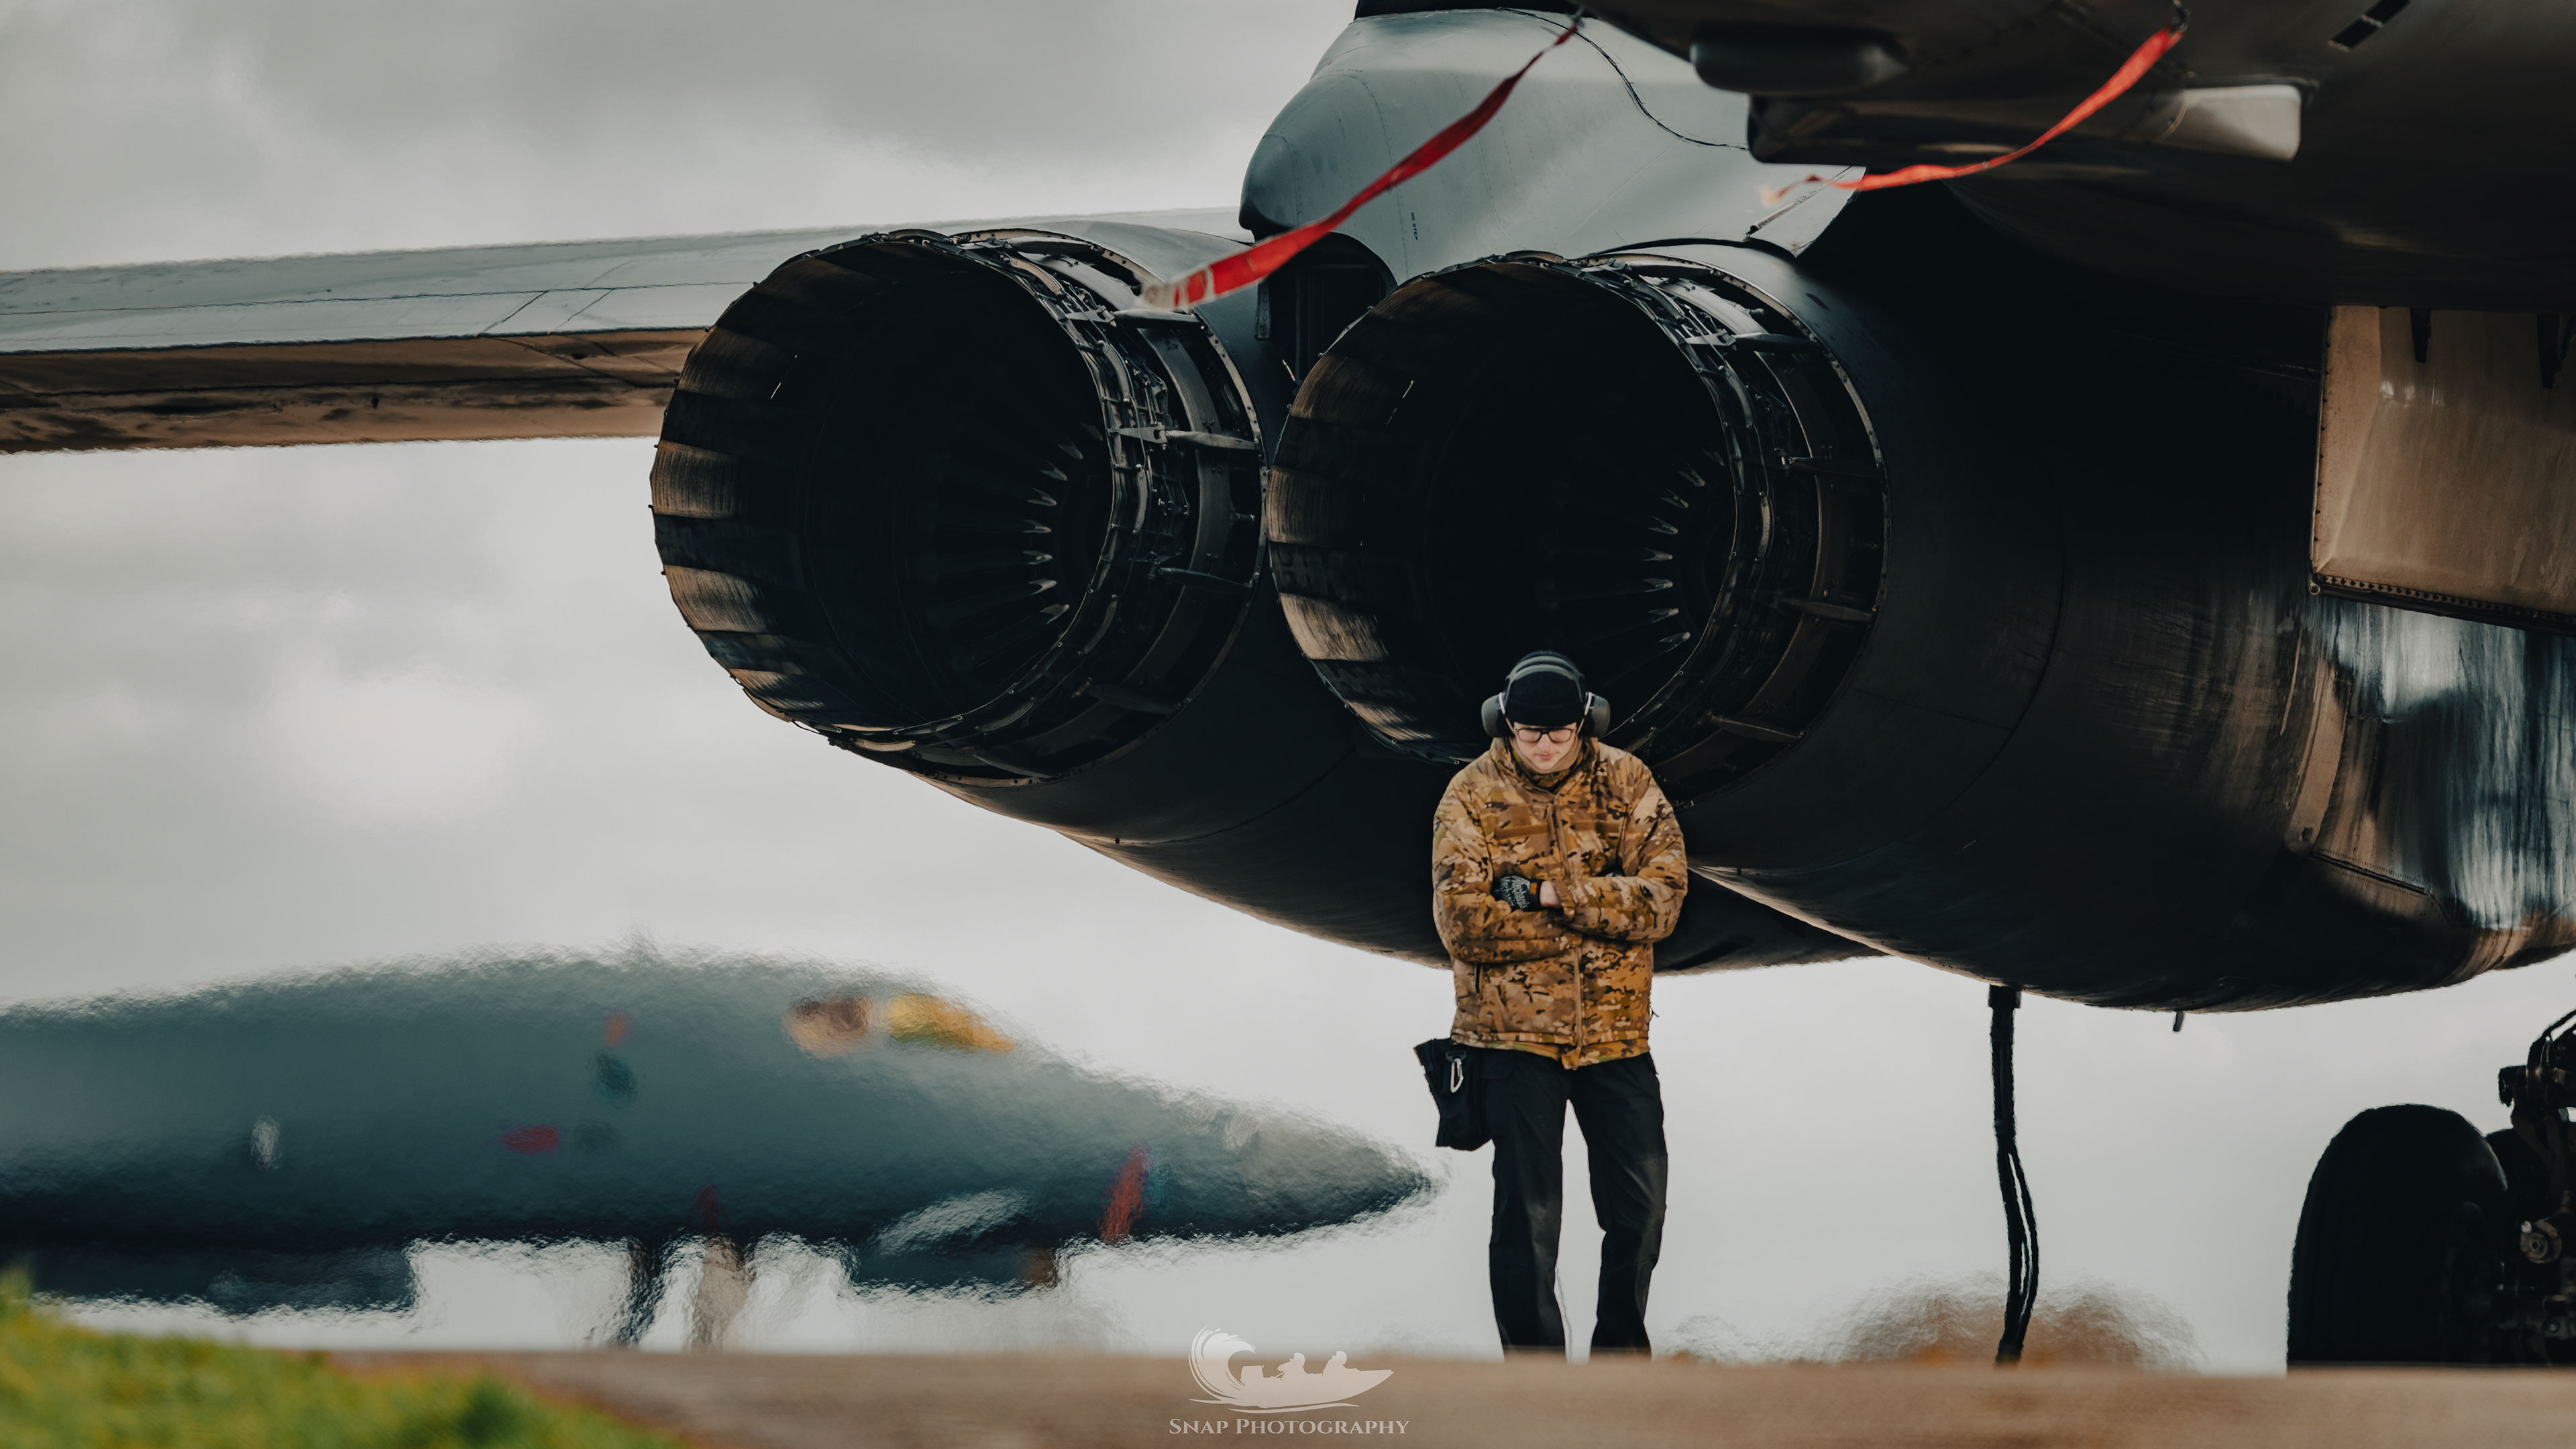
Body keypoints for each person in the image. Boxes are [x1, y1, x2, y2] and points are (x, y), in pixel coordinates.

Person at [1432, 650, 1688, 1357]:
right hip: (1513, 1042)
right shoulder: (1469, 796)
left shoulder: (1628, 782)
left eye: (1559, 732)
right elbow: (1463, 923)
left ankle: (1619, 1365)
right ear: (1505, 724)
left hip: (1616, 1040)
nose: (1544, 746)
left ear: (1585, 723)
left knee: (1641, 1211)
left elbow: (1664, 900)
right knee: (1529, 1220)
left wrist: (1549, 895)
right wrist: (1597, 922)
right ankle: (1535, 1377)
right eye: (1529, 733)